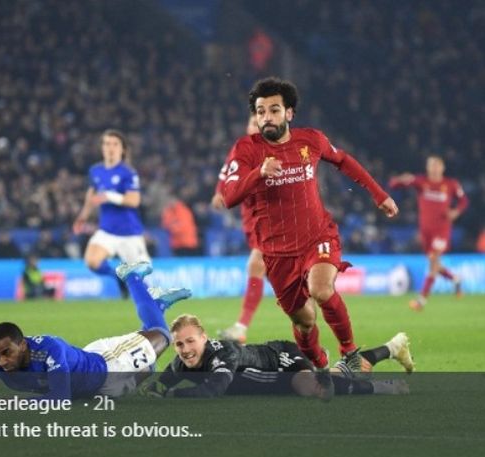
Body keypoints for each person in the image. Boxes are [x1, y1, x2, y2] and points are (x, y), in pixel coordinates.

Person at [220, 77, 399, 370]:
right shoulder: (246, 150)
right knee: (304, 322)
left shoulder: (311, 140)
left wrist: (378, 194)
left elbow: (343, 160)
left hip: (318, 236)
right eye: (261, 111)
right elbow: (228, 197)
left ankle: (350, 352)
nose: (267, 117)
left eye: (274, 110)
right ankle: (319, 361)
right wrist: (258, 174)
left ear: (289, 113)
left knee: (321, 289)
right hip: (277, 253)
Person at [0, 262, 192, 399]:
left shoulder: (48, 348)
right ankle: (157, 305)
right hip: (97, 390)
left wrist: (11, 403)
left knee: (162, 335)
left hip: (109, 362)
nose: (2, 360)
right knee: (150, 367)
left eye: (7, 353)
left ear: (23, 344)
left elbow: (60, 397)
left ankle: (131, 276)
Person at [141, 314, 413, 399]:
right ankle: (392, 348)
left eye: (190, 341)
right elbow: (163, 382)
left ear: (204, 337)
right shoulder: (184, 359)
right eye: (179, 344)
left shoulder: (223, 354)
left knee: (310, 388)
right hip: (274, 377)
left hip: (281, 358)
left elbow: (215, 388)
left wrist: (172, 395)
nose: (185, 349)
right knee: (336, 374)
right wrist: (151, 388)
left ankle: (382, 388)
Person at [72, 129, 150, 298]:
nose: (110, 148)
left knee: (142, 285)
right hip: (107, 230)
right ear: (102, 147)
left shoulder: (128, 173)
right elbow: (91, 195)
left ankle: (155, 314)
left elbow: (134, 200)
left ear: (122, 149)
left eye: (115, 144)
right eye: (107, 144)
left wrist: (110, 196)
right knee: (92, 261)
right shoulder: (95, 171)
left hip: (129, 233)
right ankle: (120, 277)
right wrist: (83, 216)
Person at [389, 156, 469, 311]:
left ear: (443, 167)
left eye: (437, 165)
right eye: (431, 165)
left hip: (442, 229)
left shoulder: (451, 184)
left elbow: (464, 200)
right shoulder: (421, 182)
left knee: (433, 260)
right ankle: (455, 279)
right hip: (425, 230)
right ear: (427, 168)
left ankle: (421, 300)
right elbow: (394, 184)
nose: (434, 168)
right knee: (435, 262)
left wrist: (456, 212)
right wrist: (400, 179)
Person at [212, 115, 266, 343]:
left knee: (255, 265)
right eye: (252, 123)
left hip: (271, 218)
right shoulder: (240, 148)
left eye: (259, 124)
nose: (255, 128)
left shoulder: (275, 150)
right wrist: (219, 191)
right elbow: (227, 172)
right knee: (291, 287)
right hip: (250, 219)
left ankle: (240, 327)